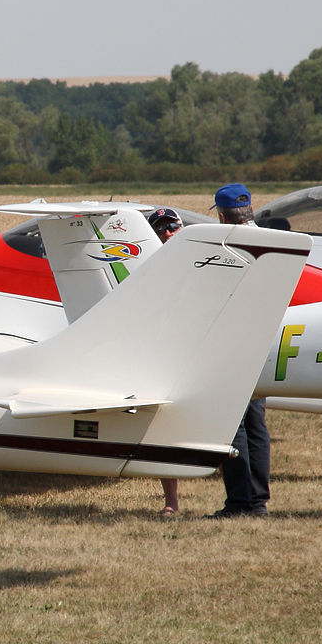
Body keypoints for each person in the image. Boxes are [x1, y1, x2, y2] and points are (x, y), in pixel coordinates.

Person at [210, 183, 271, 518]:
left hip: (235, 345)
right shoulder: (273, 241)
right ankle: (258, 499)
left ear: (222, 215)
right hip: (267, 342)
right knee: (256, 424)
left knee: (232, 424)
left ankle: (239, 502)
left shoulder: (229, 246)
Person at [148, 208, 185, 517]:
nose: (168, 233)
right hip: (167, 355)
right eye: (161, 229)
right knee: (165, 424)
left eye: (172, 226)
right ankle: (171, 501)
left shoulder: (202, 258)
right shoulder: (149, 267)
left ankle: (244, 499)